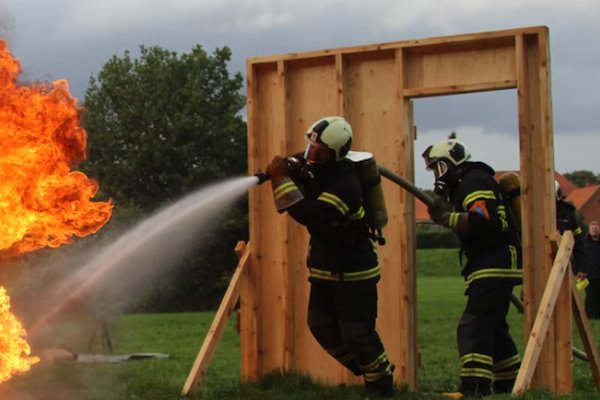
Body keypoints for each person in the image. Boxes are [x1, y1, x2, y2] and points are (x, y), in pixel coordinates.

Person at [265, 116, 394, 397]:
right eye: (311, 149)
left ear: (336, 155)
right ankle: (367, 367)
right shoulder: (318, 167)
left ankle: (381, 383)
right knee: (320, 326)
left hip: (354, 271)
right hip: (325, 267)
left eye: (320, 153)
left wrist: (281, 181)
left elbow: (315, 217)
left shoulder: (345, 184)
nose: (312, 156)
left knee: (357, 334)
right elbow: (303, 167)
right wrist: (286, 167)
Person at [422, 133, 522, 399]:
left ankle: (474, 387)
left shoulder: (472, 181)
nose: (437, 176)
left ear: (453, 162)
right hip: (495, 260)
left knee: (474, 324)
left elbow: (484, 223)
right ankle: (509, 381)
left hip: (494, 261)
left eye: (439, 167)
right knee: (494, 324)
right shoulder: (468, 182)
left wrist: (446, 218)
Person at [555, 180, 586, 276]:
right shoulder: (535, 213)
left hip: (564, 264)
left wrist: (581, 268)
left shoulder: (567, 212)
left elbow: (579, 242)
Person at [584, 220, 600, 319]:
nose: (594, 230)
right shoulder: (584, 243)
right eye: (592, 228)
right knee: (590, 296)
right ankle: (590, 315)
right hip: (589, 274)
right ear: (589, 230)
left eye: (596, 228)